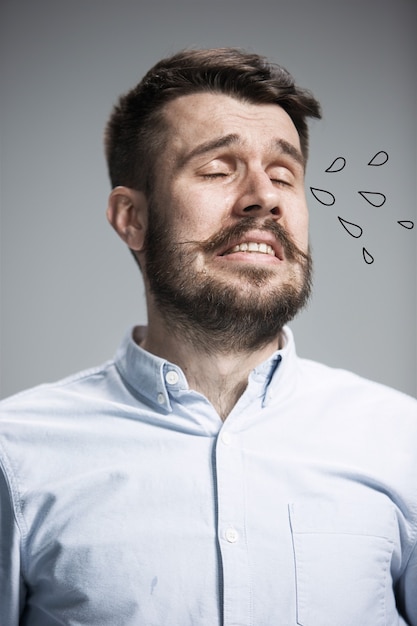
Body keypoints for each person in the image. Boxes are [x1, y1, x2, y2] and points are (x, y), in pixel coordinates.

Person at [0, 48, 416, 626]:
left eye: (283, 175)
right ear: (132, 218)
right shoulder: (14, 455)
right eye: (218, 169)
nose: (264, 197)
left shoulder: (403, 443)